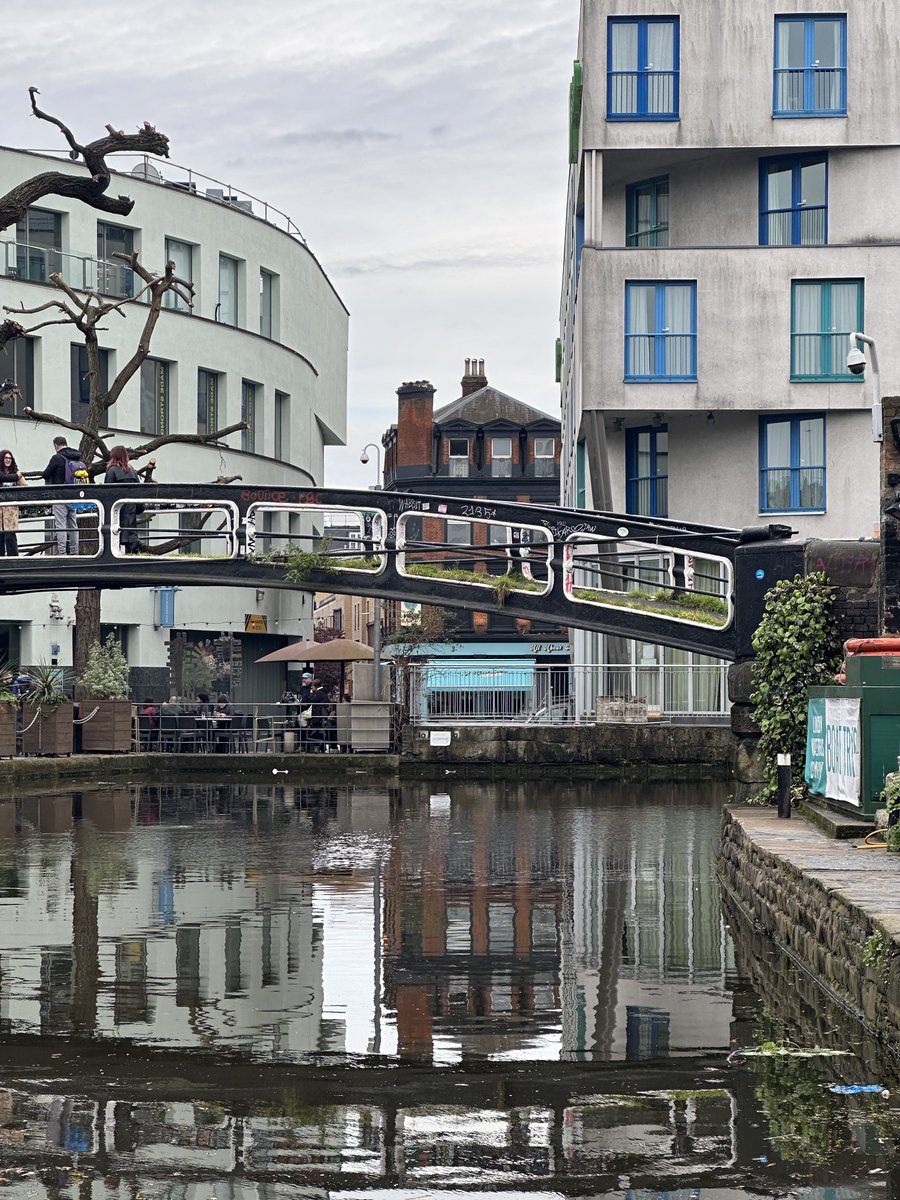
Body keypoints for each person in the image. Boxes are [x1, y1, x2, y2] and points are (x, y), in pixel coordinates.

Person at [41, 436, 84, 555]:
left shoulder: (57, 458)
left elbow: (46, 474)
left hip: (60, 495)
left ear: (56, 445)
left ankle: (62, 551)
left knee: (61, 524)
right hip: (73, 495)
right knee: (73, 524)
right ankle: (75, 551)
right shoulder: (76, 456)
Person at [103, 445, 142, 554]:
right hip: (131, 508)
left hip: (117, 509)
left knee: (116, 535)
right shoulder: (132, 471)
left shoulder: (112, 471)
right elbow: (139, 490)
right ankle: (133, 552)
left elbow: (107, 492)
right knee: (131, 533)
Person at [0, 449, 27, 556]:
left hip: (11, 509)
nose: (8, 460)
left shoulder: (15, 471)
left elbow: (24, 486)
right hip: (0, 508)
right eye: (6, 458)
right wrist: (16, 476)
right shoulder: (15, 474)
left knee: (10, 535)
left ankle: (13, 559)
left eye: (10, 458)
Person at [308, 678, 330, 753]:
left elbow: (311, 700)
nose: (311, 688)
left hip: (317, 716)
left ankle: (316, 747)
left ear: (316, 686)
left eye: (312, 686)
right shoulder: (323, 693)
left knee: (315, 731)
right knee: (319, 732)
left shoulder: (319, 693)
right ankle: (321, 747)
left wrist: (311, 693)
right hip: (321, 716)